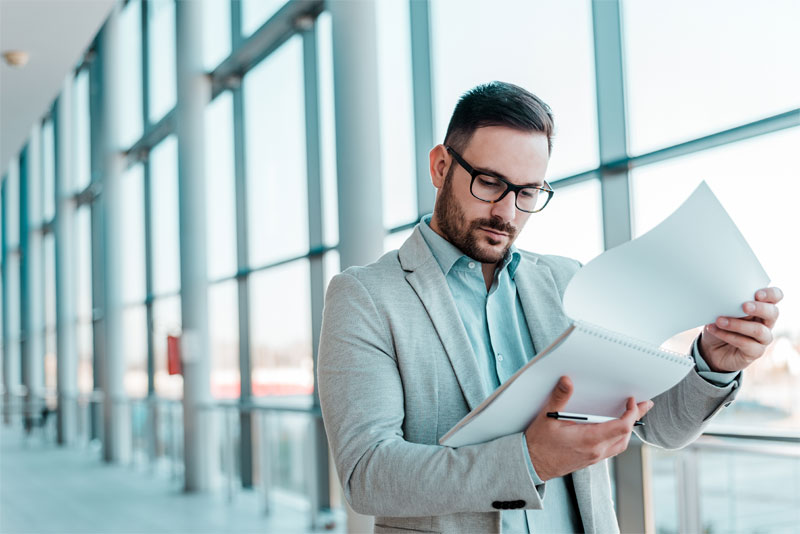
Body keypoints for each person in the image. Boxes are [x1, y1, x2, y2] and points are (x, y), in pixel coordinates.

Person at [317, 81, 783, 533]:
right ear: (441, 166)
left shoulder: (566, 282)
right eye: (490, 183)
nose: (507, 213)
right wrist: (530, 460)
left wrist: (714, 363)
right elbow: (368, 475)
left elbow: (657, 425)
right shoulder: (367, 297)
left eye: (526, 193)